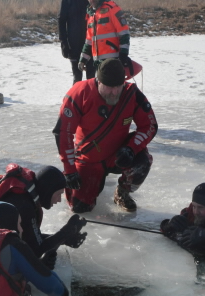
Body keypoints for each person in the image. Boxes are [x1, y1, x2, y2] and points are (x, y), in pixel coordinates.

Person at [53, 58, 157, 213]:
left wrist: (131, 149)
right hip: (88, 159)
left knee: (142, 162)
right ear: (98, 81)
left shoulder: (131, 94)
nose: (115, 92)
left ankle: (122, 192)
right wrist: (70, 170)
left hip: (118, 154)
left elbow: (150, 125)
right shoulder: (80, 93)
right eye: (109, 87)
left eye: (118, 86)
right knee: (80, 208)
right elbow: (63, 133)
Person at [78, 0, 130, 73]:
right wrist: (83, 59)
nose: (92, 1)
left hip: (114, 61)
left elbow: (124, 33)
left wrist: (123, 55)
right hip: (98, 63)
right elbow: (89, 41)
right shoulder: (91, 14)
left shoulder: (112, 8)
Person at [59, 0, 96, 83]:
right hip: (74, 44)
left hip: (91, 43)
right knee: (77, 77)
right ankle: (76, 96)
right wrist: (64, 42)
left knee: (92, 78)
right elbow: (61, 20)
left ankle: (92, 95)